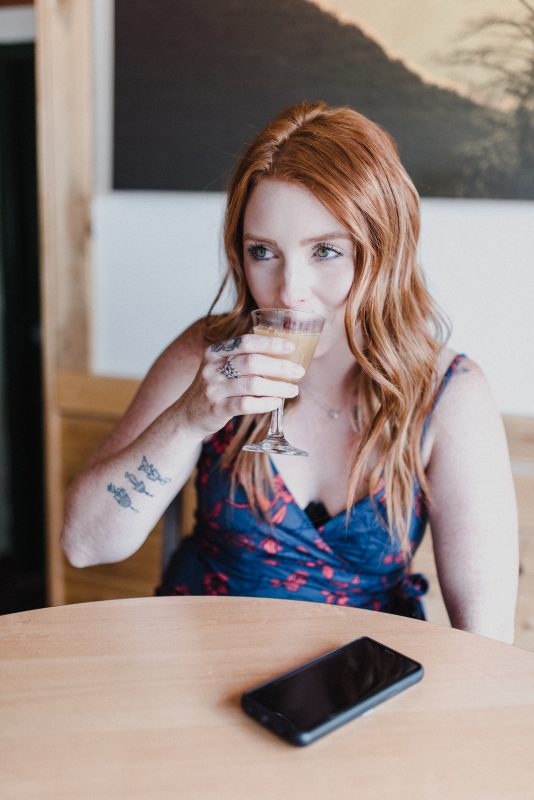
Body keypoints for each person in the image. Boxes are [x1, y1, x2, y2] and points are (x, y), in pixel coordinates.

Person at [61, 101, 518, 642]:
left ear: (383, 252)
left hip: (356, 688)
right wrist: (187, 419)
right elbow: (84, 544)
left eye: (324, 250)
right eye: (264, 252)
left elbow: (486, 642)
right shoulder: (209, 355)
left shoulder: (445, 395)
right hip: (195, 674)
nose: (288, 290)